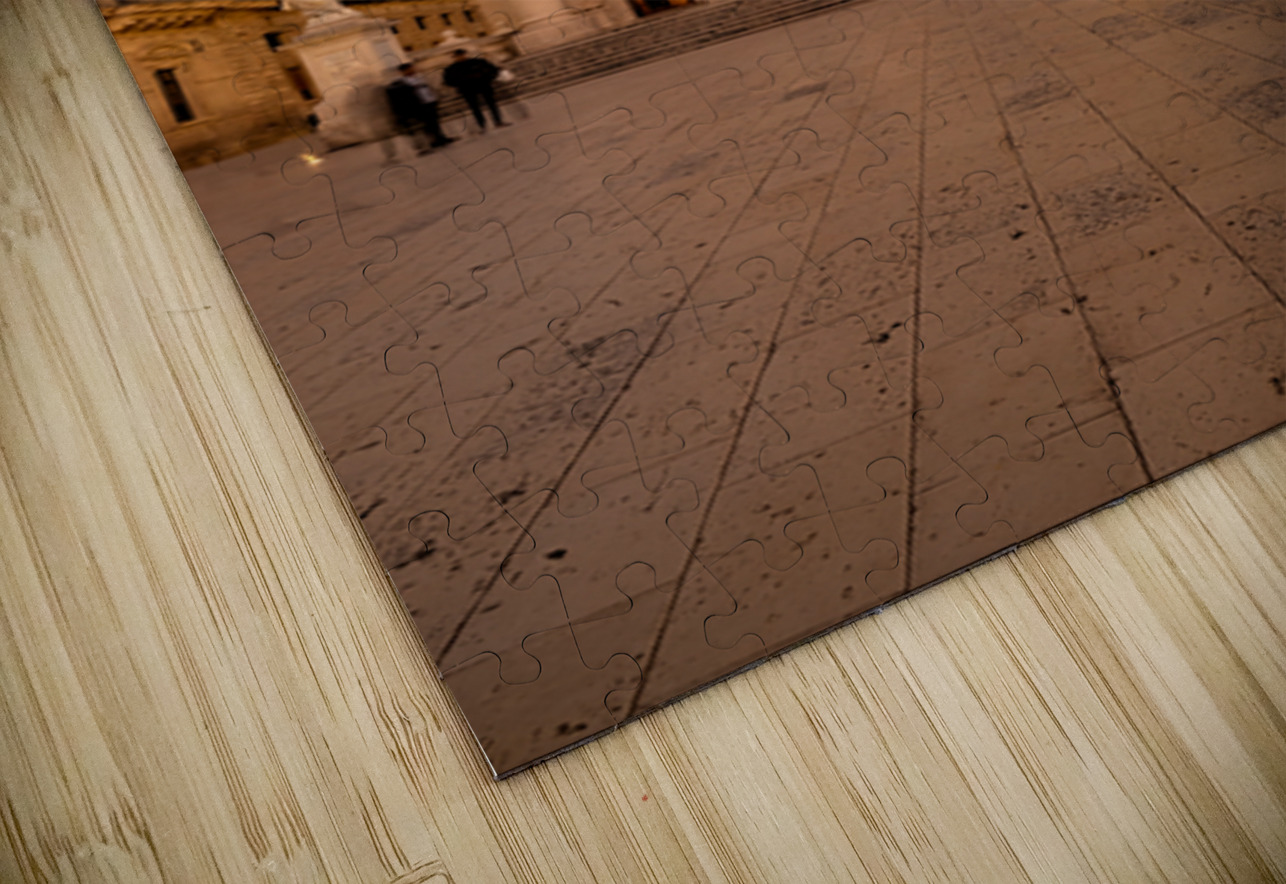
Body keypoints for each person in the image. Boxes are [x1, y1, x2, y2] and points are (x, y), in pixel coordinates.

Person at [386, 62, 454, 152]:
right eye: (409, 69)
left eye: (411, 68)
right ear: (403, 71)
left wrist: (435, 97)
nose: (412, 70)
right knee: (427, 123)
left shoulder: (419, 76)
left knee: (435, 121)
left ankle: (441, 137)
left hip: (429, 100)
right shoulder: (400, 81)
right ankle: (434, 140)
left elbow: (428, 87)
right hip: (418, 105)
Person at [442, 49, 508, 130]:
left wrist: (487, 78)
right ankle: (482, 125)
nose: (461, 57)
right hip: (467, 89)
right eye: (458, 56)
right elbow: (448, 80)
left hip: (483, 85)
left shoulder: (478, 62)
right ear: (455, 57)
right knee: (475, 108)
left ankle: (498, 121)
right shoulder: (452, 68)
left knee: (491, 104)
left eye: (462, 55)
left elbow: (492, 70)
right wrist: (461, 82)